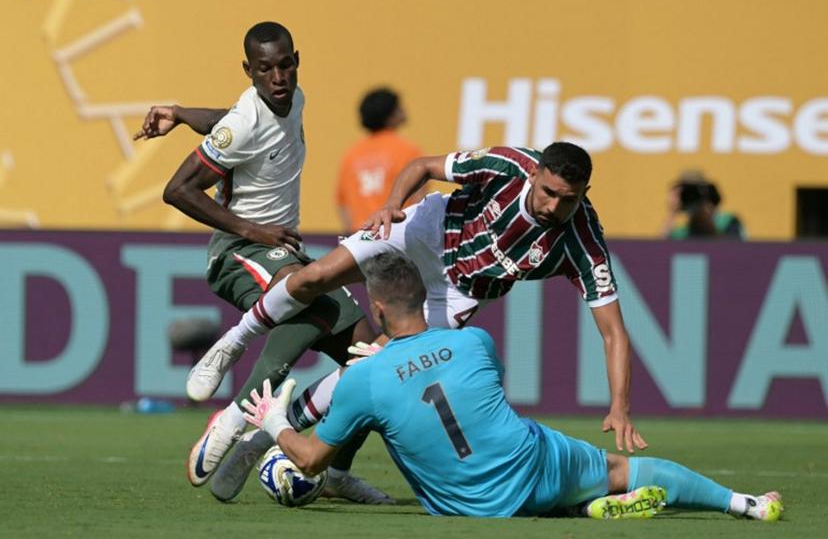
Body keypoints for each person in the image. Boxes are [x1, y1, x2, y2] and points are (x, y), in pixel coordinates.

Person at [240, 253, 783, 520]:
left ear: (376, 308)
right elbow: (461, 391)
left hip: (467, 507)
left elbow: (310, 460)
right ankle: (746, 505)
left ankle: (582, 509)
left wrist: (274, 421)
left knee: (488, 481)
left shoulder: (363, 380)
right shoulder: (475, 342)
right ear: (423, 299)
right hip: (534, 467)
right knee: (622, 468)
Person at [197, 142, 648, 453]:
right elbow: (423, 167)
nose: (553, 207)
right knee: (316, 276)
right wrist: (392, 202)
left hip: (458, 292)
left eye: (567, 200)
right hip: (427, 231)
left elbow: (614, 334)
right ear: (535, 175)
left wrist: (620, 408)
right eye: (548, 192)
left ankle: (260, 436)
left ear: (584, 195)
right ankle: (234, 341)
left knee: (374, 360)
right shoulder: (507, 164)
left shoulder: (583, 243)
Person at [132, 21, 391, 504]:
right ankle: (234, 419)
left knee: (371, 361)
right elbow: (178, 190)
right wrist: (253, 231)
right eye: (266, 69)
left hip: (283, 254)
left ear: (297, 60)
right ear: (248, 70)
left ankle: (330, 472)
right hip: (238, 253)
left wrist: (182, 113)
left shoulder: (294, 99)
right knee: (307, 292)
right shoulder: (245, 120)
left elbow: (231, 123)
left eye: (286, 64)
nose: (279, 76)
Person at [336, 87, 423, 232]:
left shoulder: (352, 154)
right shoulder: (407, 150)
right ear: (390, 115)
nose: (404, 110)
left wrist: (353, 237)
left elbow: (343, 204)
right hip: (397, 235)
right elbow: (420, 200)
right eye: (399, 107)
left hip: (361, 237)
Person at [663, 170, 746, 240]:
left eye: (695, 192)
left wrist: (706, 211)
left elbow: (736, 250)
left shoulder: (728, 222)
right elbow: (659, 250)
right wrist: (672, 213)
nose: (692, 197)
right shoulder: (682, 232)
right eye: (686, 193)